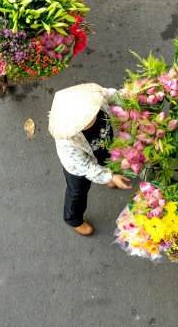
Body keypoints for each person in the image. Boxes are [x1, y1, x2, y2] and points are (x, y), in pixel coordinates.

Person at [48, 83, 133, 236]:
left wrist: (129, 99)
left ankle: (106, 176)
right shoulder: (67, 140)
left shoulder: (96, 98)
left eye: (91, 113)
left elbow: (113, 95)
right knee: (77, 192)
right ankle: (73, 219)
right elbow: (85, 167)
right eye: (84, 121)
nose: (91, 118)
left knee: (110, 161)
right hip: (79, 167)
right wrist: (110, 176)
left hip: (105, 147)